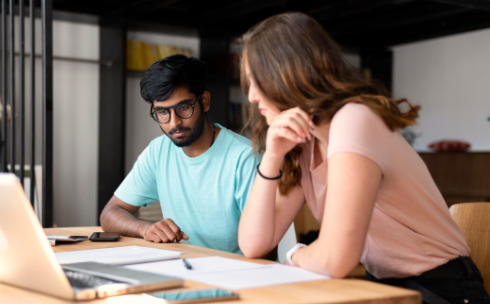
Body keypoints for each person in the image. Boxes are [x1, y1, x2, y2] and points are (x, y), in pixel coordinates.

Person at [237, 12, 490, 304]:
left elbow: (336, 259)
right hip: (386, 287)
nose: (252, 97)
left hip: (444, 289)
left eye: (257, 80)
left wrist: (295, 255)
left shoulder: (353, 119)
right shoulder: (303, 145)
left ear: (288, 72)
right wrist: (272, 156)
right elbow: (253, 244)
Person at [100, 54, 260, 254]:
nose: (174, 123)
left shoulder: (244, 158)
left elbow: (264, 250)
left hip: (232, 280)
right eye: (163, 112)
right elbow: (110, 213)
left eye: (183, 108)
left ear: (205, 101)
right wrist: (145, 228)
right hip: (181, 276)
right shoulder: (158, 152)